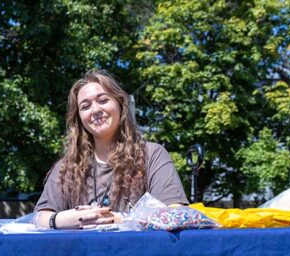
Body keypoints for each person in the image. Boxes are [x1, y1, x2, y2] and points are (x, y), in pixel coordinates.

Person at [34, 70, 188, 230]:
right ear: (79, 118)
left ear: (120, 104)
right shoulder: (66, 167)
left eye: (103, 100)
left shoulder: (152, 155)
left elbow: (176, 212)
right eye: (85, 106)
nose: (95, 110)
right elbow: (39, 217)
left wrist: (122, 220)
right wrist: (64, 219)